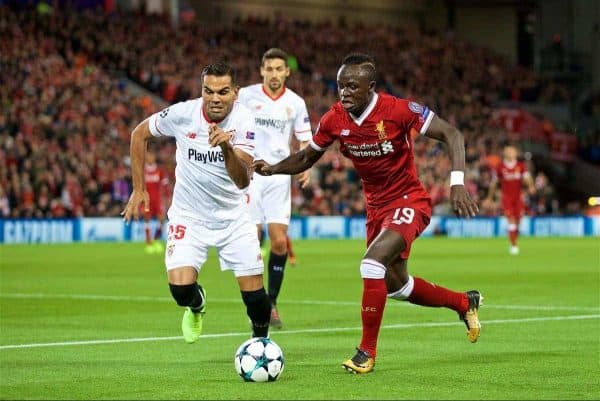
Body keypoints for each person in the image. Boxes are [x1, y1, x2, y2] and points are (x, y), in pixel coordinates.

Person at [253, 53, 482, 374]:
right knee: (397, 286)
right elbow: (307, 157)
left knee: (371, 264)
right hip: (377, 210)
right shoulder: (335, 119)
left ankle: (366, 353)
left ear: (370, 87)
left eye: (351, 87)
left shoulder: (398, 109)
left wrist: (457, 182)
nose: (344, 93)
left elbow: (452, 134)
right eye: (340, 86)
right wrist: (274, 168)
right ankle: (462, 302)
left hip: (408, 201)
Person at [121, 61, 271, 343]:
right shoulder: (182, 113)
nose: (215, 98)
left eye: (223, 91)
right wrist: (139, 188)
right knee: (180, 291)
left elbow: (242, 181)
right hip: (188, 216)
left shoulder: (245, 121)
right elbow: (139, 134)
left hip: (233, 217)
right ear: (201, 90)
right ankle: (196, 305)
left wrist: (227, 147)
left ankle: (260, 343)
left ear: (235, 93)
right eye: (208, 91)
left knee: (255, 298)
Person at [238, 48, 312, 329]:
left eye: (279, 69)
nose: (274, 74)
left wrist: (305, 165)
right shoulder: (245, 96)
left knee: (279, 241)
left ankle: (271, 302)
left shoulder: (296, 103)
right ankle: (254, 300)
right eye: (269, 69)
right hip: (250, 176)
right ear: (261, 71)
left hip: (280, 176)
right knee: (253, 238)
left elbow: (305, 140)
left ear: (287, 72)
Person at [487, 145, 535, 255]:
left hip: (518, 198)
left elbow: (527, 178)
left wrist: (531, 186)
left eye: (512, 151)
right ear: (504, 153)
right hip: (506, 198)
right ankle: (513, 246)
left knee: (518, 221)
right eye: (508, 151)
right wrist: (490, 197)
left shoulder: (520, 166)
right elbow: (494, 183)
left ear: (515, 153)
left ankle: (514, 239)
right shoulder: (500, 167)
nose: (510, 153)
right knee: (511, 220)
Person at [142, 148, 169, 254]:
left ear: (154, 157)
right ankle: (148, 243)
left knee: (161, 219)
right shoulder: (142, 171)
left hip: (158, 199)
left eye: (151, 155)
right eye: (148, 155)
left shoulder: (160, 171)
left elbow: (165, 186)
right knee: (147, 219)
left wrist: (167, 198)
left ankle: (156, 240)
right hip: (147, 199)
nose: (150, 157)